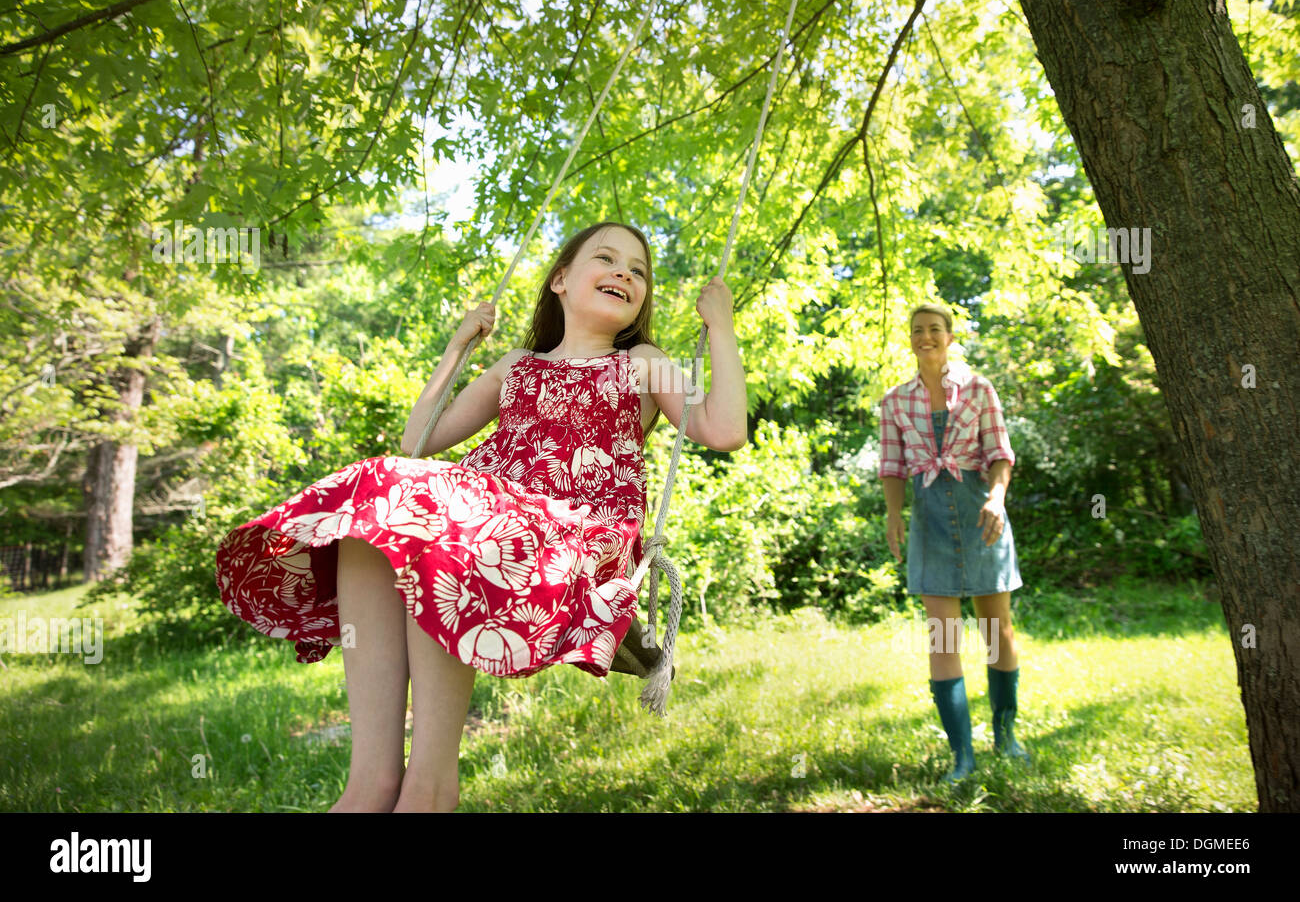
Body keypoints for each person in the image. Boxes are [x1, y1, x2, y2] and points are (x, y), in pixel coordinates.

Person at [215, 221, 747, 812]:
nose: (625, 272)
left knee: (437, 515)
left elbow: (723, 430)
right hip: (476, 522)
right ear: (560, 281)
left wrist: (719, 325)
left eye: (639, 270)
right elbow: (418, 440)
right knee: (376, 495)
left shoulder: (643, 363)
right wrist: (457, 348)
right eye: (607, 258)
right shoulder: (515, 366)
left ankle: (430, 789)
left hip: (570, 539)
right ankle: (371, 784)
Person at [878, 302, 1030, 782]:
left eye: (935, 330)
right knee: (943, 637)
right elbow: (892, 468)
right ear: (911, 339)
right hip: (930, 522)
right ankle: (962, 757)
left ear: (949, 336)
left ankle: (1006, 738)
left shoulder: (980, 390)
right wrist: (892, 516)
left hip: (981, 514)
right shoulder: (894, 402)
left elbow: (1000, 454)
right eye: (918, 330)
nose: (927, 337)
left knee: (996, 631)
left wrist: (998, 499)